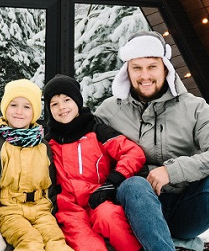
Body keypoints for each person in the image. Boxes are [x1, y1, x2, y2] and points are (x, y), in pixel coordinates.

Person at [94, 32, 209, 251]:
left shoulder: (194, 107)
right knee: (134, 184)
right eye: (137, 67)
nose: (145, 75)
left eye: (152, 66)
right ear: (127, 70)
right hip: (136, 207)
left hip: (186, 208)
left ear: (165, 67)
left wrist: (172, 171)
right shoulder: (108, 112)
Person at [40, 75, 143, 251]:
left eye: (67, 100)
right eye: (54, 104)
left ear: (77, 101)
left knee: (110, 218)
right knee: (88, 245)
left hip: (99, 198)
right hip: (70, 210)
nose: (62, 107)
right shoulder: (48, 144)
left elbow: (133, 153)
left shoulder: (97, 131)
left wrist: (113, 180)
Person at [0, 79, 70, 251]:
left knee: (57, 244)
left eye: (27, 107)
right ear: (5, 108)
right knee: (31, 242)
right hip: (10, 211)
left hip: (42, 211)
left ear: (35, 112)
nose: (19, 111)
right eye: (13, 105)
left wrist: (52, 212)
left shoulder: (42, 146)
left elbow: (50, 187)